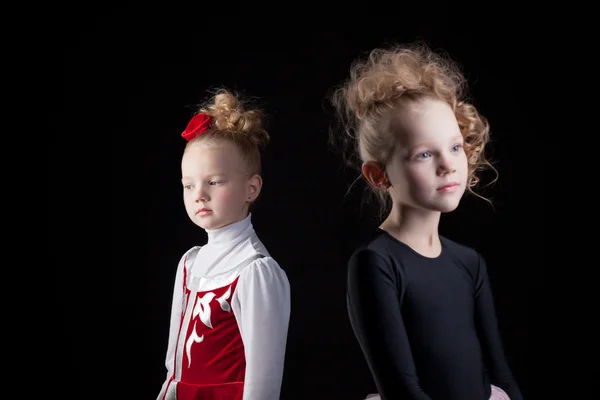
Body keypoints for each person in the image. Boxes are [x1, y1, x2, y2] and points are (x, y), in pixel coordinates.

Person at [329, 42, 524, 400]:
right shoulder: (376, 264)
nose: (448, 164)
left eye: (454, 147)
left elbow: (502, 377)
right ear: (378, 175)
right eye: (423, 154)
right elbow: (403, 390)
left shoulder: (468, 263)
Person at [157, 89, 291, 400]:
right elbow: (173, 366)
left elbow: (264, 383)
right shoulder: (190, 263)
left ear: (251, 188)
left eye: (214, 182)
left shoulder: (255, 271)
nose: (199, 194)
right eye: (189, 185)